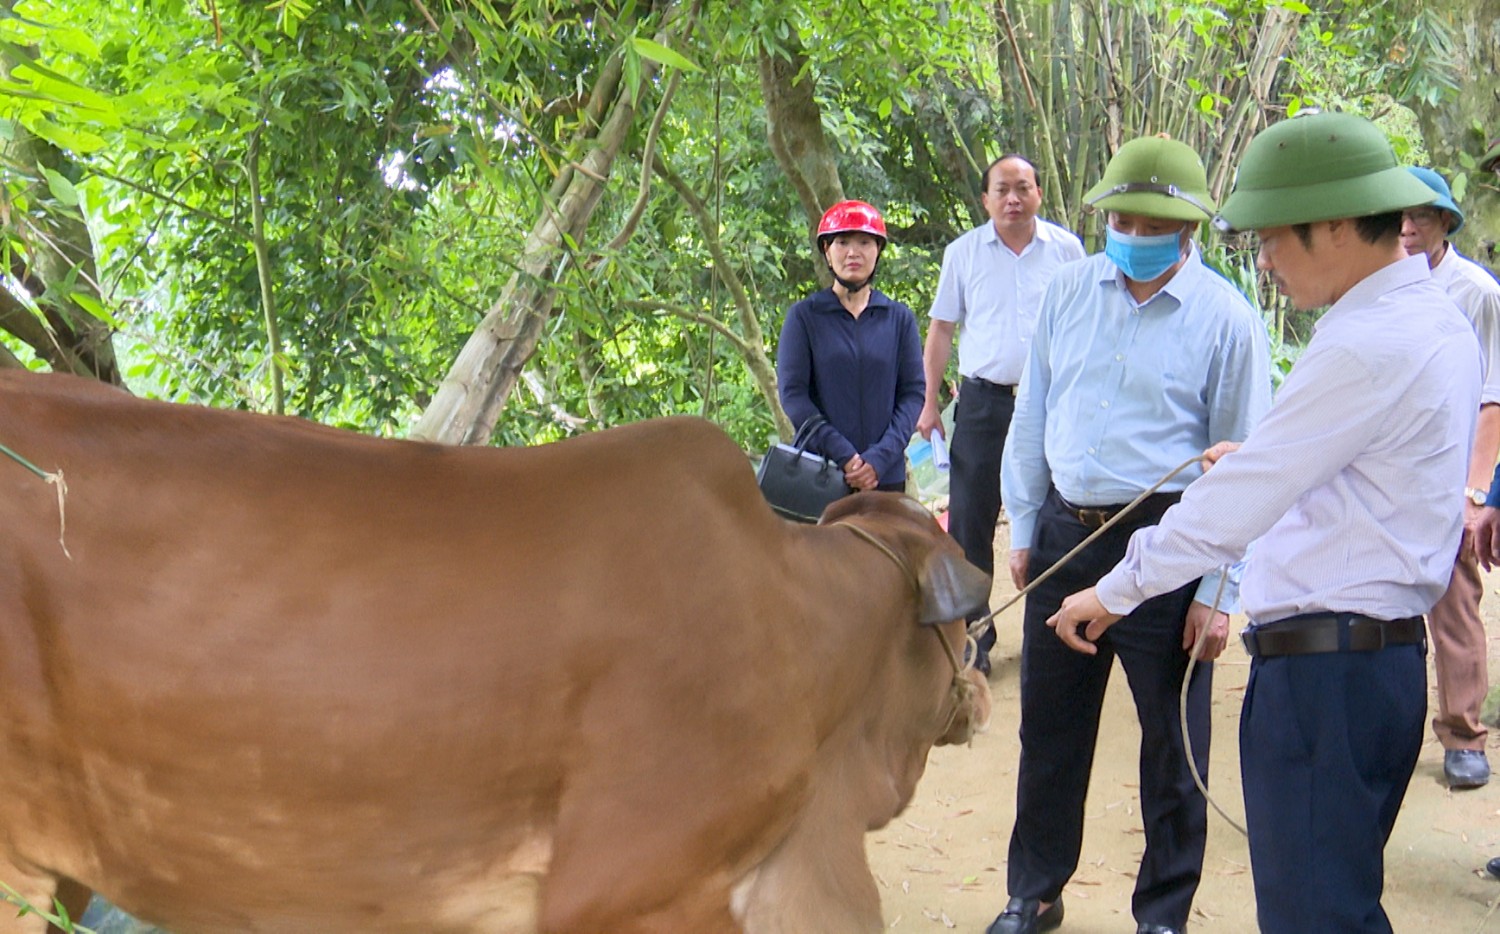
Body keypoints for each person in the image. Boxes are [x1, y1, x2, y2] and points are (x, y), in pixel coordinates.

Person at [1046, 111, 1479, 933]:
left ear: (1341, 225)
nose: (1266, 261)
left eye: (1276, 239)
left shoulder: (1366, 342)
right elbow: (1370, 474)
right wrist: (1264, 457)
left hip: (1327, 681)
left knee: (1316, 918)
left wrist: (1113, 591)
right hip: (1371, 665)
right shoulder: (1431, 319)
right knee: (1337, 903)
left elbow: (1231, 510)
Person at [987, 137, 1272, 934]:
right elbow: (1032, 413)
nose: (1133, 231)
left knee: (1171, 743)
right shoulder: (1069, 293)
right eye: (1121, 216)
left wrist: (1219, 592)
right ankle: (1035, 889)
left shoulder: (1227, 320)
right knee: (1049, 726)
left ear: (1189, 229)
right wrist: (1024, 521)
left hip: (1170, 541)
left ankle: (1163, 913)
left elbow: (1242, 465)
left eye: (1152, 220)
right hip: (1063, 534)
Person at [919, 155, 1086, 674]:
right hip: (983, 402)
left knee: (1060, 512)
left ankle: (1057, 626)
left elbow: (1086, 325)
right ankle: (975, 639)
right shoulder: (963, 254)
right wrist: (929, 401)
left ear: (1039, 192)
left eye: (1023, 187)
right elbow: (942, 330)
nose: (1013, 198)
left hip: (1053, 401)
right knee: (970, 519)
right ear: (986, 199)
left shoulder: (1067, 251)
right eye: (1002, 189)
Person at [1401, 166, 1500, 789]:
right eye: (1399, 219)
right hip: (1394, 471)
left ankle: (1463, 734)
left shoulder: (1475, 292)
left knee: (1454, 600)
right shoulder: (1381, 285)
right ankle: (1391, 729)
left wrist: (1473, 492)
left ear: (1446, 224)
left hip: (1451, 474)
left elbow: (1494, 400)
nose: (1409, 230)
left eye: (1422, 218)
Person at [777, 199, 924, 494]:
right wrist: (845, 456)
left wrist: (879, 459)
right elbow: (793, 395)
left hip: (886, 475)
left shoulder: (899, 319)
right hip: (821, 474)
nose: (853, 252)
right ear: (827, 252)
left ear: (878, 250)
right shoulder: (804, 317)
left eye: (864, 242)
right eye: (842, 242)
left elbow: (912, 394)